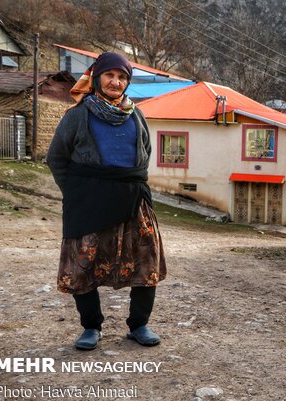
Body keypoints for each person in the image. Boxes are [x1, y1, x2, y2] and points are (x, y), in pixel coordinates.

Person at [47, 52, 167, 350]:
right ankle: (91, 327)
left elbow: (145, 154)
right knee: (83, 264)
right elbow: (56, 158)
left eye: (123, 77)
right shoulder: (77, 115)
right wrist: (78, 193)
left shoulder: (135, 114)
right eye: (110, 75)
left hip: (133, 200)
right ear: (97, 77)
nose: (116, 82)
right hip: (89, 202)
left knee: (145, 262)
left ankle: (139, 325)